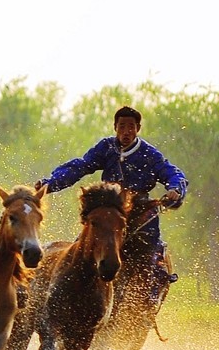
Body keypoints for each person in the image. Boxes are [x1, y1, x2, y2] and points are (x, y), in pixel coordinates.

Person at [35, 106, 187, 303]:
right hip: (110, 211)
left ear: (138, 128)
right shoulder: (106, 148)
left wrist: (175, 190)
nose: (126, 131)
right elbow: (81, 166)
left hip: (139, 216)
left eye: (131, 127)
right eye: (122, 126)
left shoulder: (150, 154)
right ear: (115, 127)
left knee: (152, 259)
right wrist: (50, 183)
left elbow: (172, 173)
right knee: (82, 249)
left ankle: (148, 300)